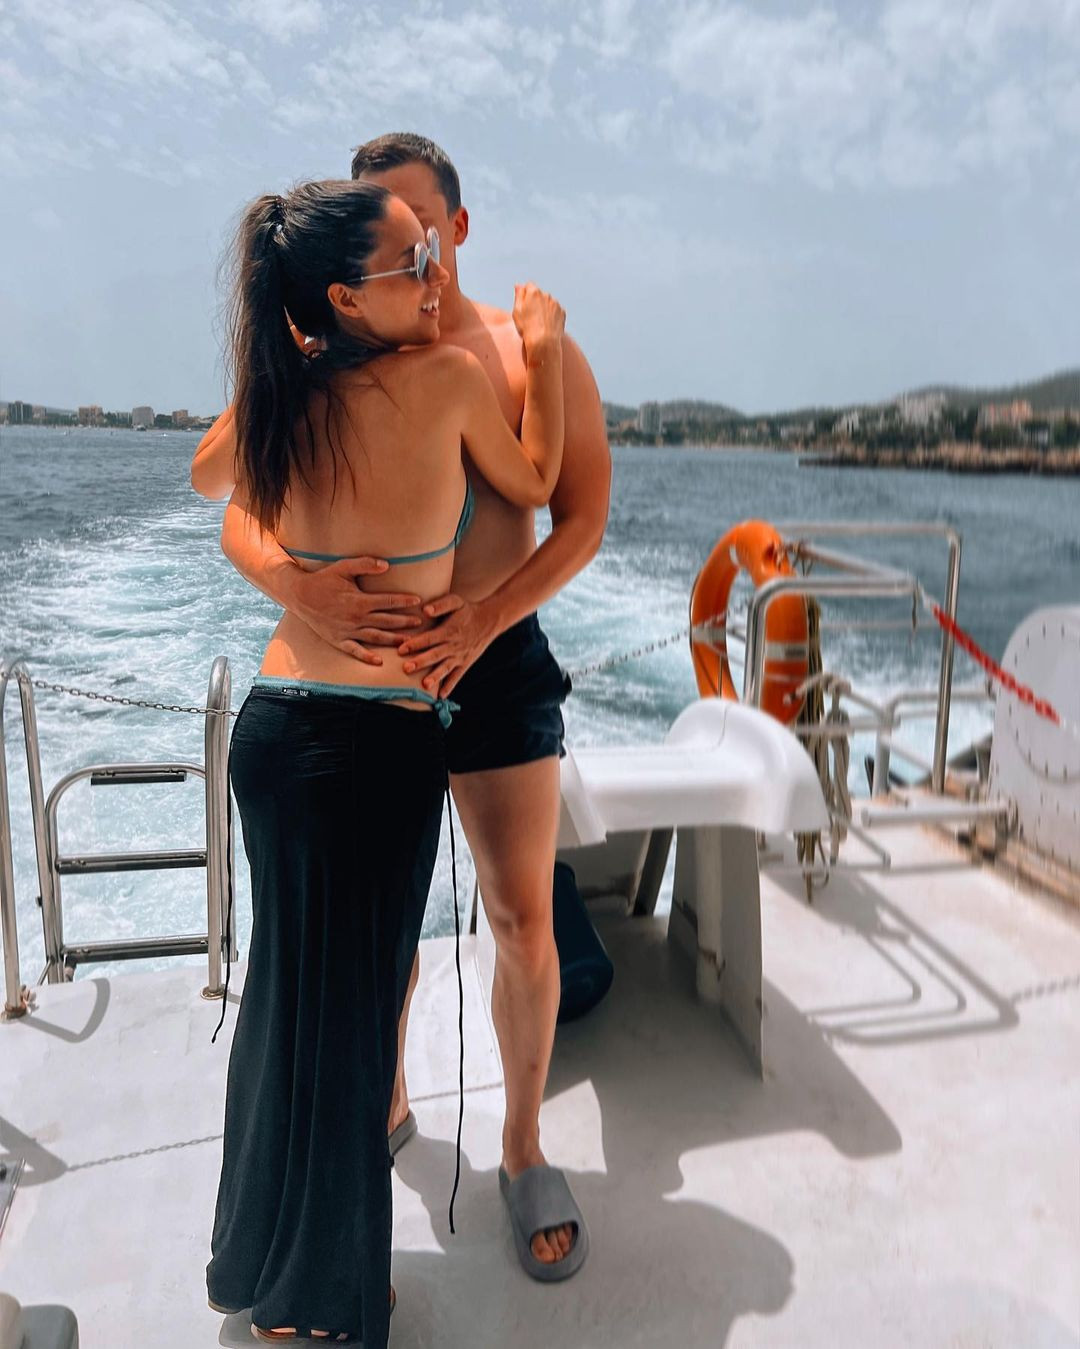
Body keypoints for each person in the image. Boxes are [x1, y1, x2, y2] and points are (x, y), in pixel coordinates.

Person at [191, 132, 611, 1280]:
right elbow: (232, 491)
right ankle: (380, 1104)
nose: (417, 255)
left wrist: (484, 618)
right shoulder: (323, 354)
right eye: (391, 235)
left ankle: (521, 1147)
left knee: (520, 916)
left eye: (425, 231)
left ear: (457, 227)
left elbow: (577, 517)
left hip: (497, 662)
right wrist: (292, 584)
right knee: (389, 931)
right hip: (366, 683)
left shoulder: (524, 348)